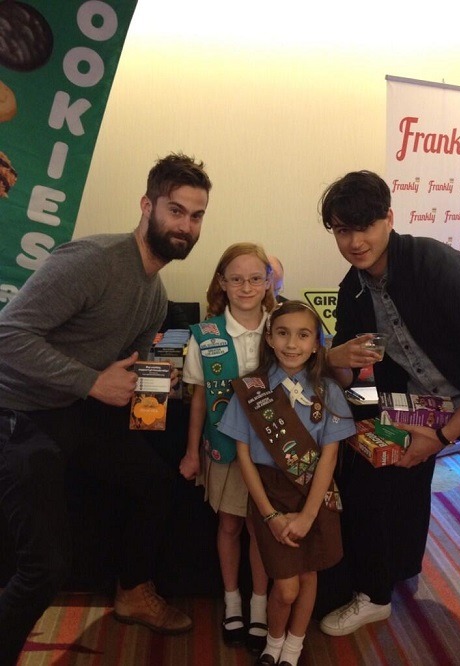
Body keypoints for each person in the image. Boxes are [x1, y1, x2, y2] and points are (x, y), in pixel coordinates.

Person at [0, 152, 212, 665]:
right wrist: (93, 382)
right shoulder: (94, 260)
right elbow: (7, 335)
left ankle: (133, 593)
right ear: (147, 205)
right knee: (44, 567)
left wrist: (184, 391)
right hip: (20, 413)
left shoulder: (155, 295)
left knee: (156, 484)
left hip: (73, 409)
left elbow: (136, 374)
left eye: (197, 215)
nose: (186, 225)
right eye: (176, 210)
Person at [317, 169, 460, 636]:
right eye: (343, 230)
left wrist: (441, 438)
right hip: (417, 411)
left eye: (366, 226)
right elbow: (358, 376)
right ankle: (377, 591)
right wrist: (362, 414)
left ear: (389, 219)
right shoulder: (352, 288)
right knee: (370, 474)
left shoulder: (435, 264)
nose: (356, 241)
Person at [218, 300, 355, 666]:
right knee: (286, 585)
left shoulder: (329, 392)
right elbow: (244, 456)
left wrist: (309, 515)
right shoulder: (251, 389)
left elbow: (329, 458)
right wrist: (268, 515)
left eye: (303, 335)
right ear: (270, 338)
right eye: (283, 333)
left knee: (308, 575)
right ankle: (272, 642)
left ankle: (291, 649)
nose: (292, 344)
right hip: (270, 494)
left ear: (316, 344)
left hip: (315, 495)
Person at [179, 242, 275, 654]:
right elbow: (198, 398)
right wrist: (189, 451)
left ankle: (259, 605)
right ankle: (232, 600)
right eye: (236, 278)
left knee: (260, 529)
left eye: (256, 278)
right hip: (224, 448)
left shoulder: (283, 327)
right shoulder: (206, 335)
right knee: (231, 525)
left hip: (273, 453)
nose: (246, 286)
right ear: (222, 282)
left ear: (269, 281)